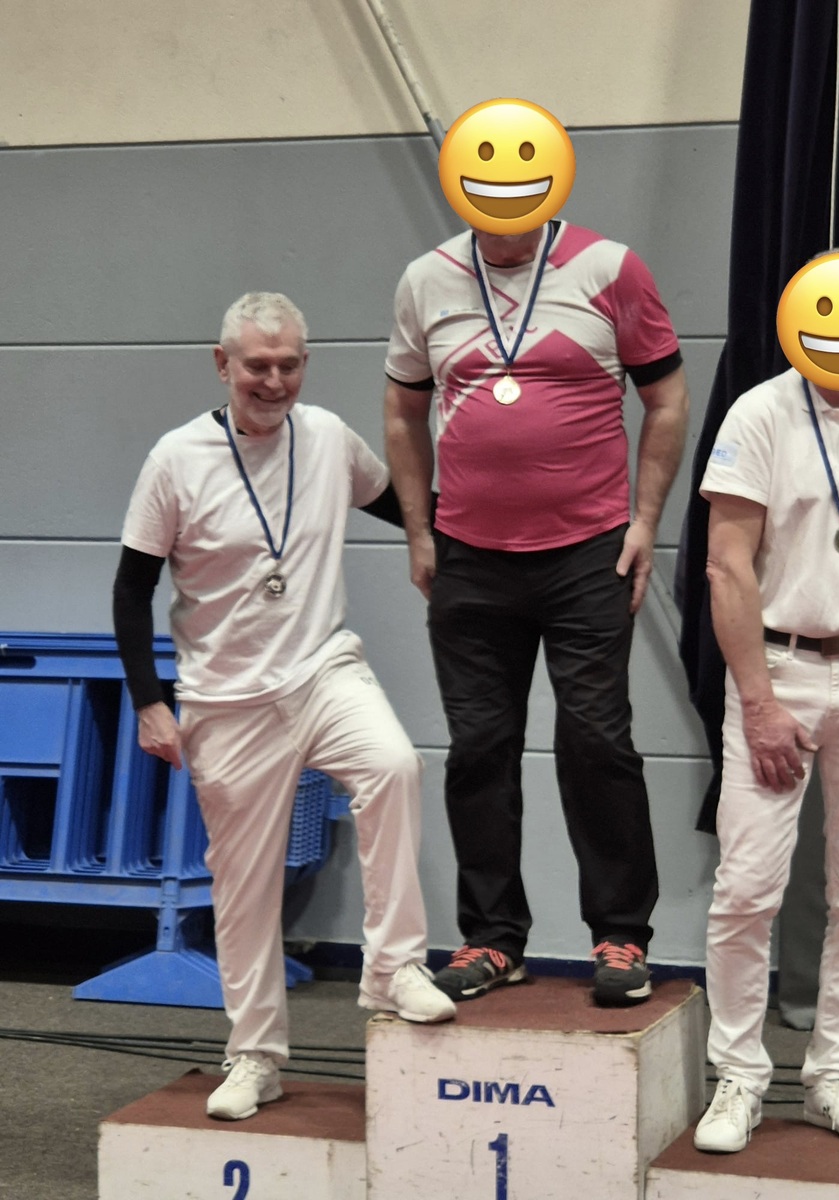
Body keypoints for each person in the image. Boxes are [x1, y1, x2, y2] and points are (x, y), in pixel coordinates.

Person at [113, 291, 455, 1123]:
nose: (274, 382)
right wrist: (151, 704)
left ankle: (394, 968)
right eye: (257, 366)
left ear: (307, 363)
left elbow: (410, 505)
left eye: (289, 365)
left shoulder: (329, 437)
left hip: (322, 669)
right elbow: (130, 589)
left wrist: (502, 535)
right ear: (221, 364)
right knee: (245, 887)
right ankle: (256, 1056)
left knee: (394, 766)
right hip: (225, 700)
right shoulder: (177, 458)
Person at [383, 219, 689, 1006]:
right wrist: (419, 531)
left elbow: (666, 400)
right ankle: (492, 939)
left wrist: (645, 523)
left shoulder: (611, 268)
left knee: (596, 739)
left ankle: (621, 935)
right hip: (470, 556)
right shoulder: (427, 278)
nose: (504, 223)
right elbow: (403, 412)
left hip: (588, 552)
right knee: (478, 748)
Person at [693, 361, 839, 1152]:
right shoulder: (760, 413)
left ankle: (834, 1076)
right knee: (747, 886)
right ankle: (739, 1076)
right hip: (777, 670)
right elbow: (725, 565)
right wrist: (758, 702)